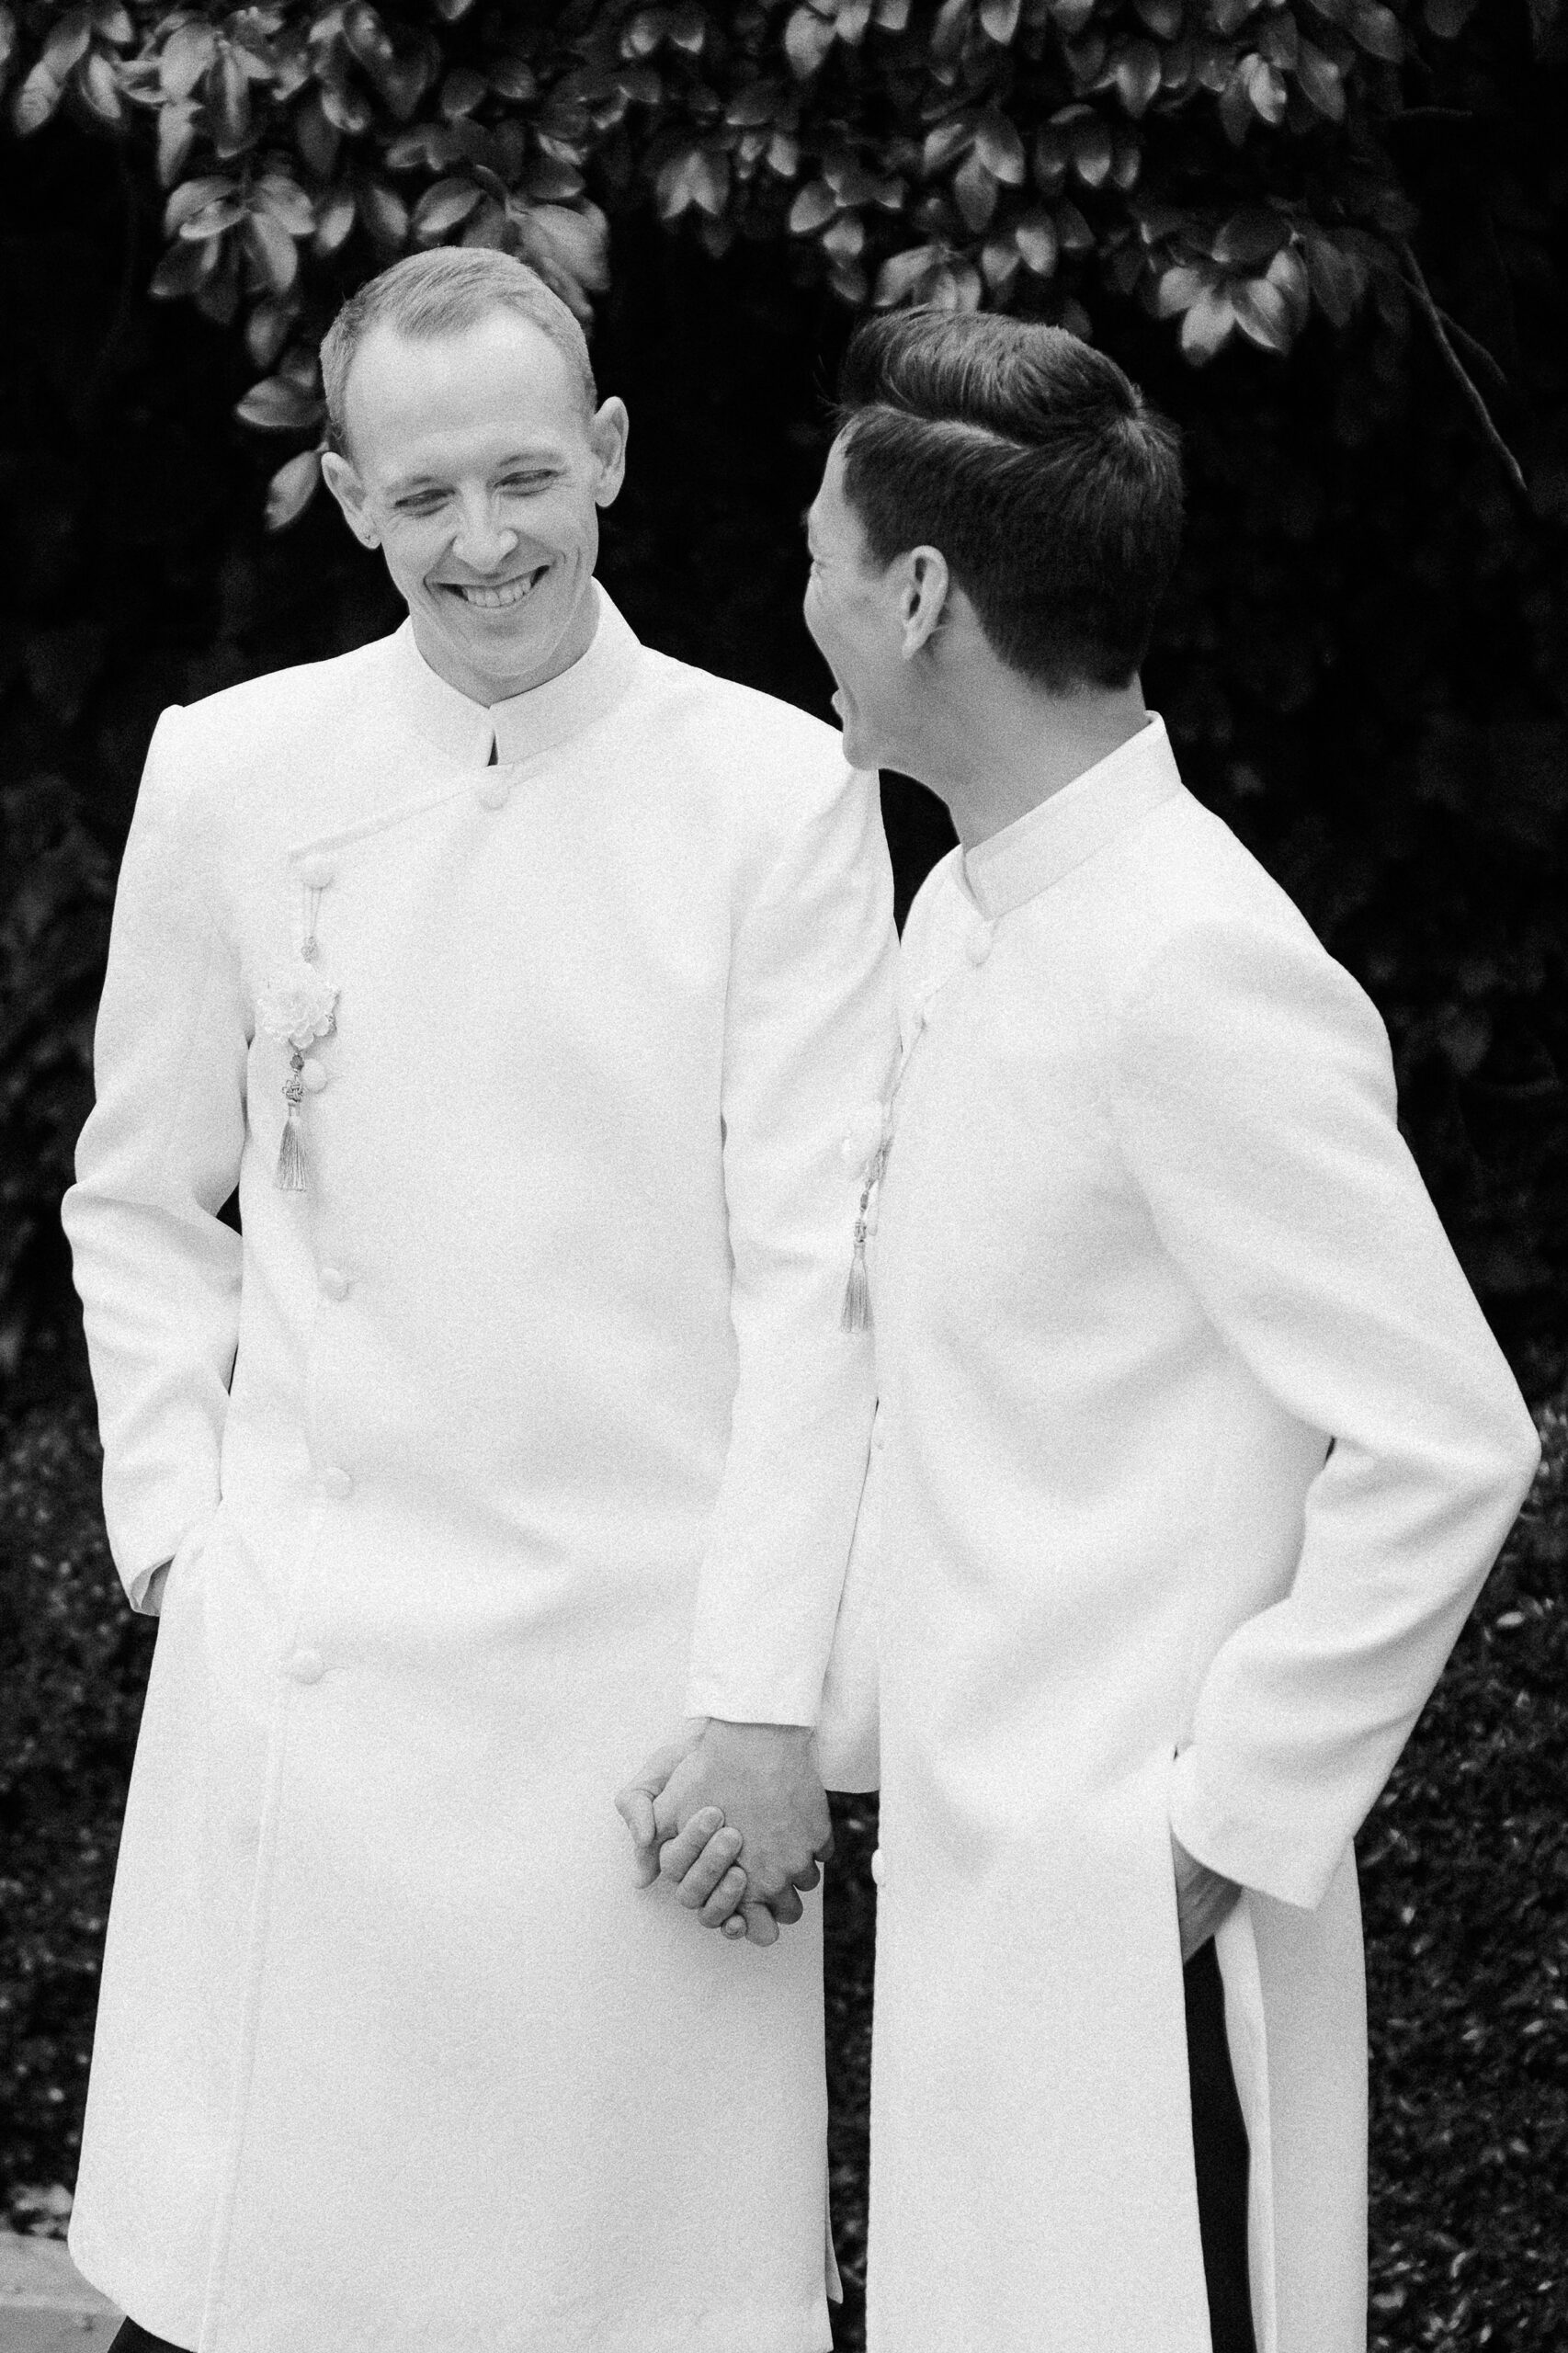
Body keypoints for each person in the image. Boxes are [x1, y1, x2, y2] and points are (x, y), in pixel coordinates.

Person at [638, 311, 1541, 2352]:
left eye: (817, 557)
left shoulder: (1199, 968)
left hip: (1140, 1934)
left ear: (923, 593)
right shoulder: (963, 911)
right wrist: (784, 1716)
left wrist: (1219, 1820)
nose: (804, 607)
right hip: (969, 1891)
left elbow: (1448, 1433)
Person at [61, 245, 898, 2353]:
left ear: (608, 455)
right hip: (317, 1689)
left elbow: (822, 1283)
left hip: (637, 1723)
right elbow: (142, 1193)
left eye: (525, 474)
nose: (482, 539)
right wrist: (182, 1540)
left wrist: (767, 1695)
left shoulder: (777, 790)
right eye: (422, 494)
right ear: (346, 494)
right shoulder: (231, 768)